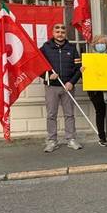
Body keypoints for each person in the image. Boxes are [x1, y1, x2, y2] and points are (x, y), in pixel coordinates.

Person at [40, 23, 83, 152]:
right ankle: (52, 140)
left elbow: (78, 69)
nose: (60, 33)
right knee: (51, 114)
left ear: (65, 33)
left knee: (69, 114)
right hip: (51, 87)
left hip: (67, 87)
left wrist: (72, 82)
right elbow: (37, 67)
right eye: (57, 30)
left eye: (62, 31)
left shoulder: (72, 48)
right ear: (53, 33)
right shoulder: (45, 48)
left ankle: (71, 139)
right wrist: (47, 76)